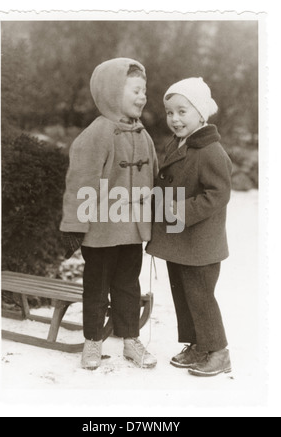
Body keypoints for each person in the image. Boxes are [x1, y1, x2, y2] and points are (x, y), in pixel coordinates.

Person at [60, 58, 158, 370]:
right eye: (135, 90)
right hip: (100, 231)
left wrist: (160, 214)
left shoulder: (143, 134)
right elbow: (81, 182)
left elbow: (153, 178)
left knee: (129, 285)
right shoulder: (97, 133)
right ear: (113, 92)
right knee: (97, 286)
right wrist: (76, 225)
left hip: (131, 230)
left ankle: (130, 340)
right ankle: (92, 342)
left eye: (144, 90)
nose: (142, 96)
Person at [146, 77, 232, 377]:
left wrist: (179, 210)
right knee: (182, 294)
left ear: (200, 112)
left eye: (182, 111)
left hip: (200, 243)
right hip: (179, 241)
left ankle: (219, 351)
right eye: (170, 113)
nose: (175, 119)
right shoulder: (179, 143)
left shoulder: (210, 150)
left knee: (200, 296)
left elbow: (218, 194)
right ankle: (198, 344)